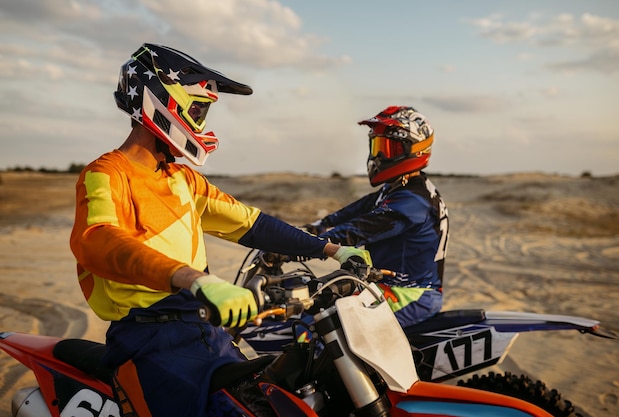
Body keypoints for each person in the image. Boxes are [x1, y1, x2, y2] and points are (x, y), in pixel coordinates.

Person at [69, 43, 371, 417]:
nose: (201, 121)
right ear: (159, 101)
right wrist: (192, 278)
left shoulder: (183, 179)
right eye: (197, 109)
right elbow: (98, 241)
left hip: (207, 332)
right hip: (148, 342)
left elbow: (252, 224)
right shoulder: (107, 174)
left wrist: (330, 250)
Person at [305, 106, 449, 328]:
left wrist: (299, 247)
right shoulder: (399, 187)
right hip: (378, 286)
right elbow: (348, 215)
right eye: (377, 146)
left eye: (388, 148)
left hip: (410, 295)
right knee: (312, 306)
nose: (379, 155)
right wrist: (313, 228)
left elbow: (355, 231)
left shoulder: (413, 201)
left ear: (415, 150)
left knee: (322, 329)